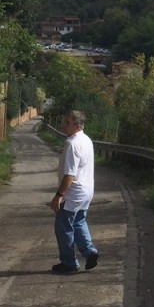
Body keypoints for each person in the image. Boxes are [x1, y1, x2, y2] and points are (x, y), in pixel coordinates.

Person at [50, 110, 100, 273]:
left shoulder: (72, 144)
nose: (63, 126)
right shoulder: (86, 140)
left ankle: (69, 262)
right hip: (86, 191)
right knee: (79, 222)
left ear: (77, 125)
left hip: (73, 193)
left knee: (63, 227)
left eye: (67, 123)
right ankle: (90, 251)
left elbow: (70, 174)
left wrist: (59, 195)